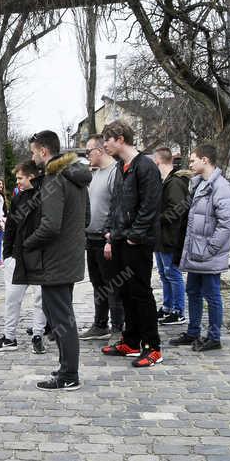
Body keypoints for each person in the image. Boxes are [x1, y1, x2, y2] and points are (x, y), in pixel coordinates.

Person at [19, 130, 91, 390]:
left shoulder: (53, 178)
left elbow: (50, 226)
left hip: (55, 260)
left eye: (33, 151)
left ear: (44, 151)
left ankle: (69, 375)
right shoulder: (76, 178)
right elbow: (86, 219)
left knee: (60, 318)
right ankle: (65, 367)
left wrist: (27, 243)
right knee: (60, 314)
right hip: (69, 256)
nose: (32, 156)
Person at [100, 120, 163, 367]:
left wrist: (134, 235)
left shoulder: (145, 166)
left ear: (120, 138)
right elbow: (115, 203)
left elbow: (150, 206)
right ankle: (131, 339)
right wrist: (110, 231)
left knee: (140, 292)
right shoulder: (121, 167)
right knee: (124, 291)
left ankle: (152, 346)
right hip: (120, 240)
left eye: (108, 139)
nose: (105, 144)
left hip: (137, 242)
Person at [169, 144, 230, 352]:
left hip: (207, 254)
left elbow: (228, 222)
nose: (190, 164)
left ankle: (214, 337)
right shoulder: (199, 184)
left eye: (193, 160)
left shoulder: (221, 187)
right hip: (196, 254)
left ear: (205, 160)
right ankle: (193, 331)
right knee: (193, 292)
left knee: (212, 294)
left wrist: (210, 249)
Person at [0, 161, 47, 354]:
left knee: (40, 299)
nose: (17, 182)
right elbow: (11, 226)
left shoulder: (45, 195)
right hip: (17, 256)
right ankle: (9, 337)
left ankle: (38, 335)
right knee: (12, 299)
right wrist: (7, 254)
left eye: (20, 178)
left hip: (39, 256)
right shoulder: (19, 198)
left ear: (31, 176)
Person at [79, 135, 125, 343]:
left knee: (112, 285)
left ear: (99, 150)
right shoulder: (95, 173)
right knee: (98, 284)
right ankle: (100, 324)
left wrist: (110, 239)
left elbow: (118, 209)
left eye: (88, 151)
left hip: (107, 239)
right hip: (92, 237)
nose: (87, 155)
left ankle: (117, 327)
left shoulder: (116, 173)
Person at [153, 146, 190, 326]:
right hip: (161, 237)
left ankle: (178, 310)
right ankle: (168, 307)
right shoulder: (165, 181)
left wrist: (157, 219)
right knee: (164, 273)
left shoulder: (174, 183)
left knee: (172, 274)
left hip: (170, 237)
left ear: (158, 161)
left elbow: (178, 210)